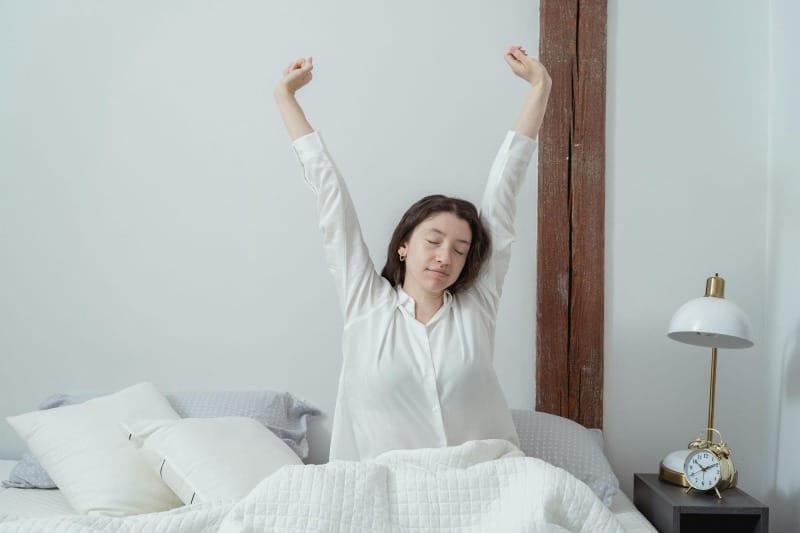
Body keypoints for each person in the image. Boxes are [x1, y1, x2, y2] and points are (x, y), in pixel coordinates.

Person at [274, 46, 551, 461]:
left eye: (460, 250)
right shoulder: (365, 303)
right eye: (434, 241)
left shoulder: (477, 309)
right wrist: (285, 96)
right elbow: (331, 196)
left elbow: (505, 190)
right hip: (383, 491)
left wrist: (540, 86)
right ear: (404, 246)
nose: (445, 257)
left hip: (484, 485)